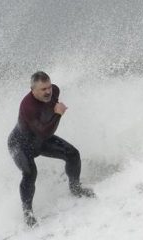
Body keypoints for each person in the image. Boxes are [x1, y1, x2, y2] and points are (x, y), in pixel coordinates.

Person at [7, 71, 94, 227]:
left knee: (73, 154)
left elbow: (44, 131)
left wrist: (55, 111)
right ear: (33, 90)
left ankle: (75, 188)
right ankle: (28, 213)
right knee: (30, 173)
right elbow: (44, 131)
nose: (48, 92)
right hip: (20, 144)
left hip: (40, 141)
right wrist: (58, 114)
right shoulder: (28, 106)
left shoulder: (55, 91)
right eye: (43, 89)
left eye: (49, 87)